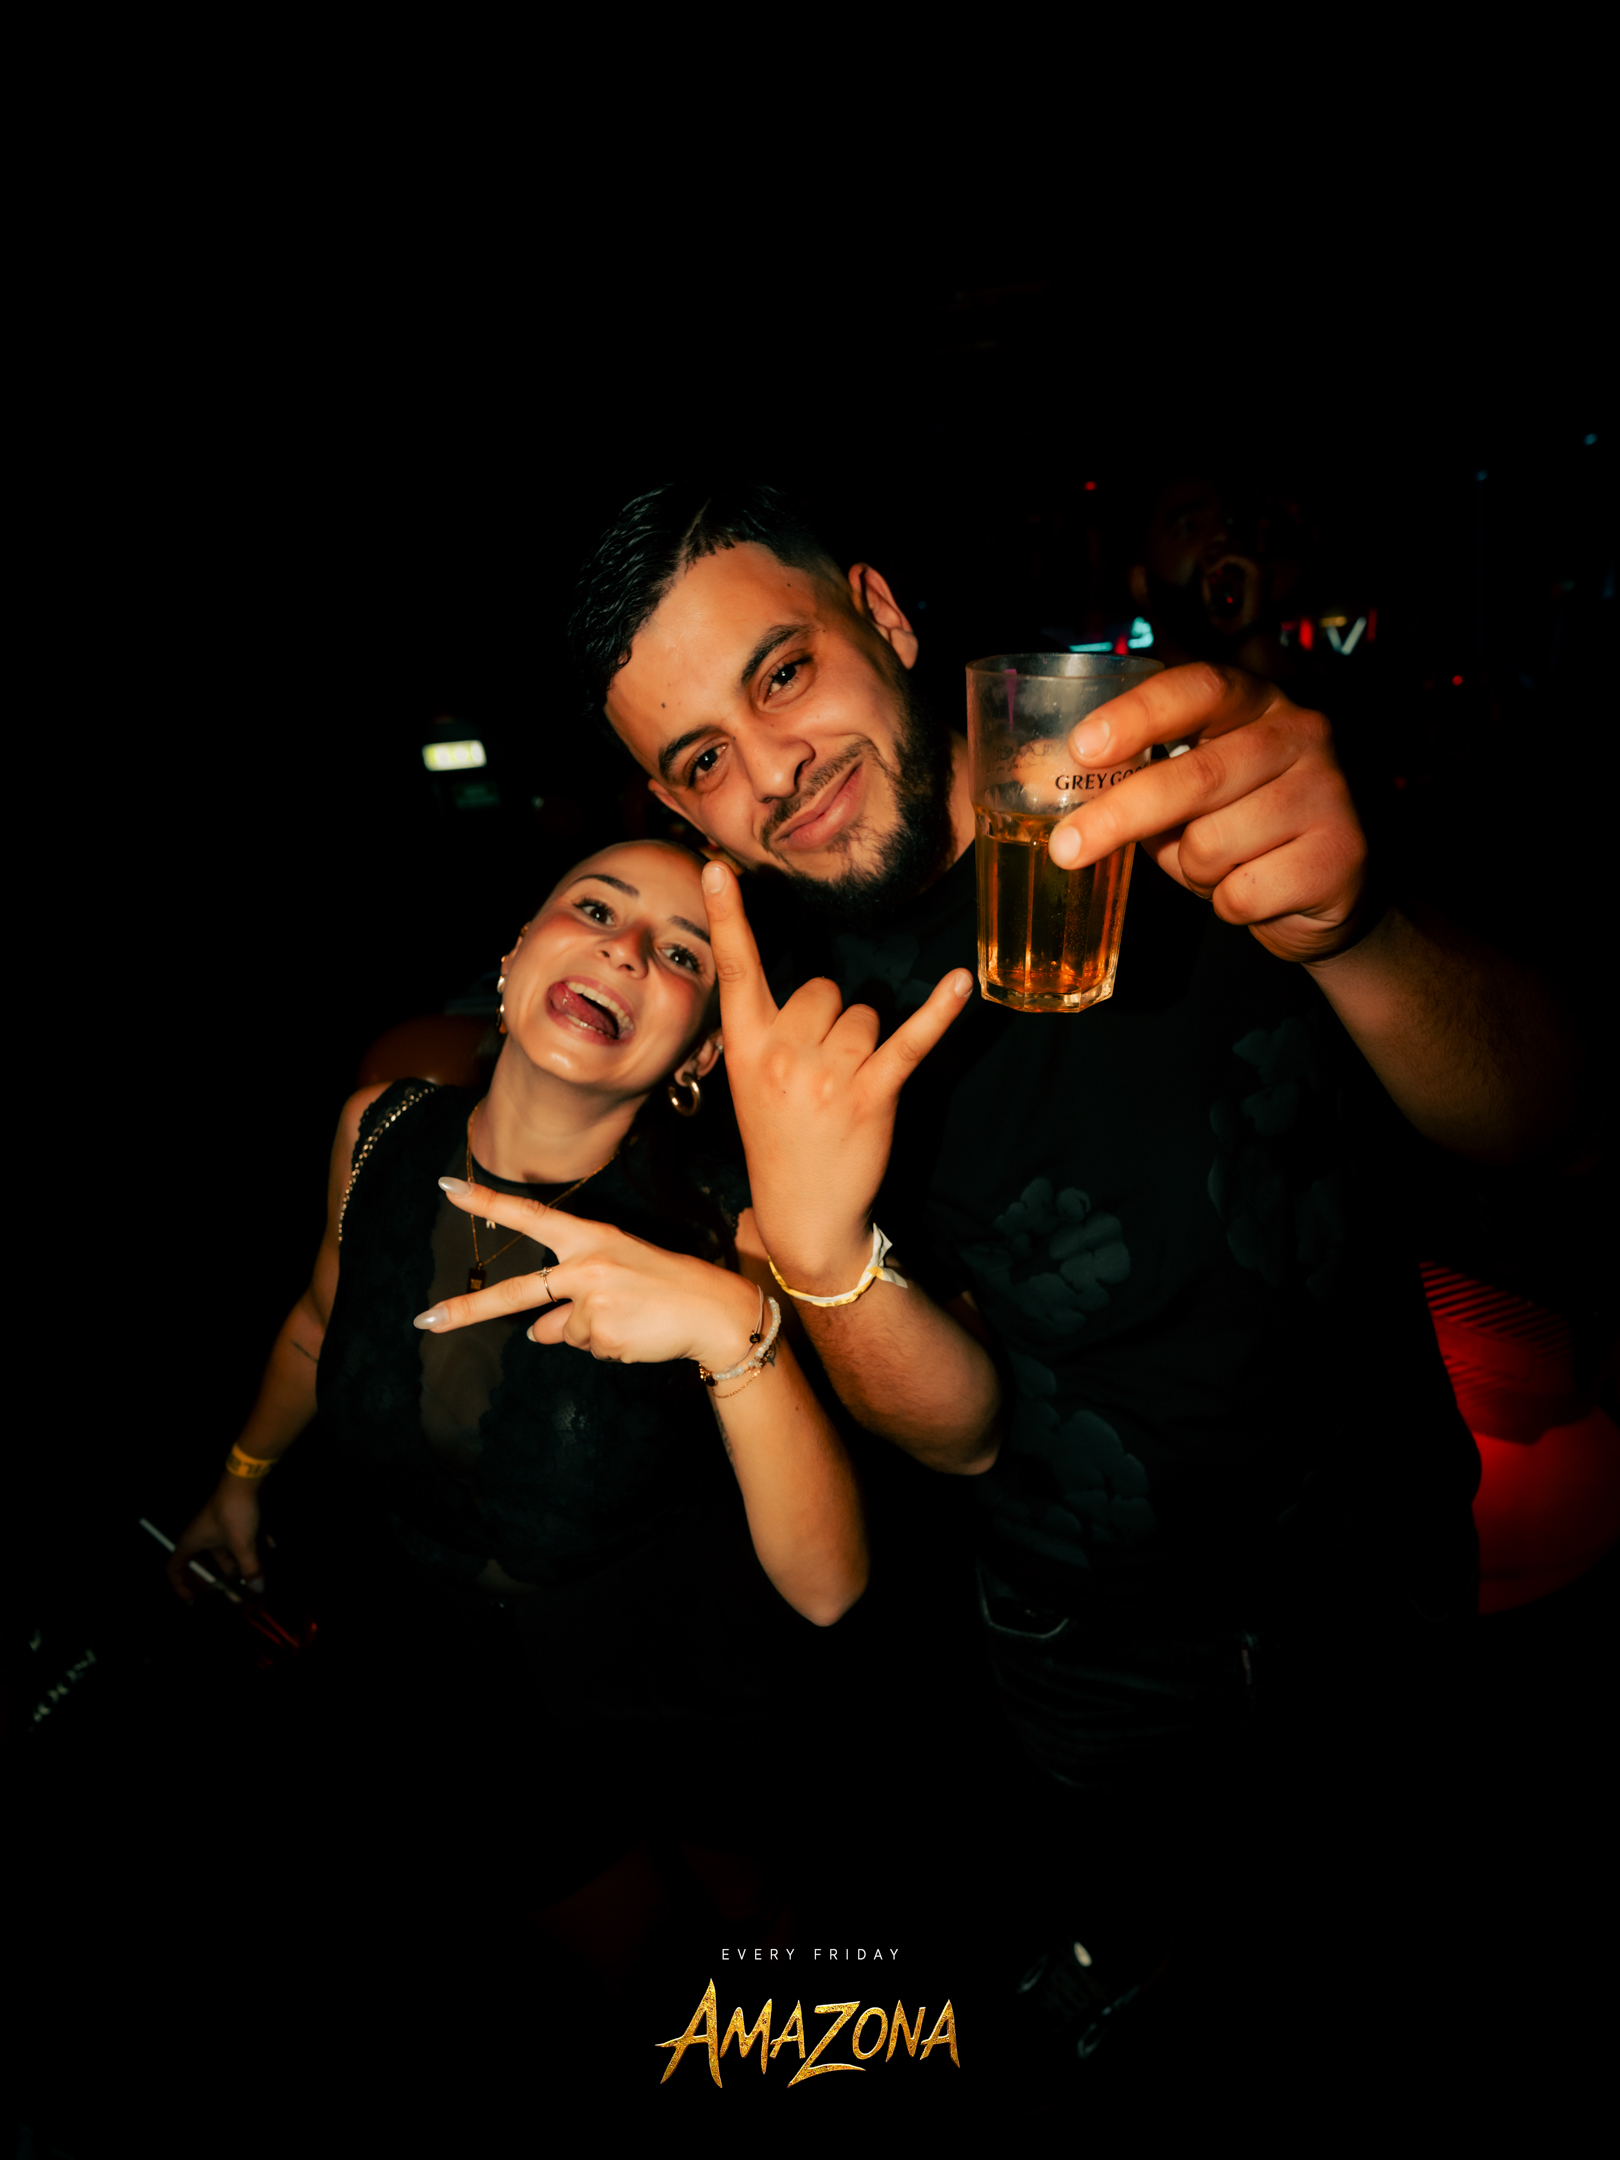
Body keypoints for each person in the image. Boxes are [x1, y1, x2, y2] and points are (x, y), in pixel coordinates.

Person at [566, 481, 1594, 2069]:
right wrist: (822, 1256)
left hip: (1377, 1548)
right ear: (669, 801)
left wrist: (1359, 931)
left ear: (882, 616)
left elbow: (1553, 1119)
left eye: (784, 673)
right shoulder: (760, 1018)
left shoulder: (1169, 774)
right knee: (1156, 1936)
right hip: (1091, 1644)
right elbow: (956, 1436)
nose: (773, 773)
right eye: (702, 759)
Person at [167, 836, 867, 1971]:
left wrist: (735, 1327)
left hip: (680, 1672)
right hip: (446, 1668)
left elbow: (830, 1587)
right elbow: (317, 1320)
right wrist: (241, 1480)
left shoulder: (728, 1227)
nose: (625, 949)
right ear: (513, 956)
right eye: (595, 908)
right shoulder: (379, 1129)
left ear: (698, 1053)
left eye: (680, 954)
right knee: (618, 1954)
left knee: (751, 1913)